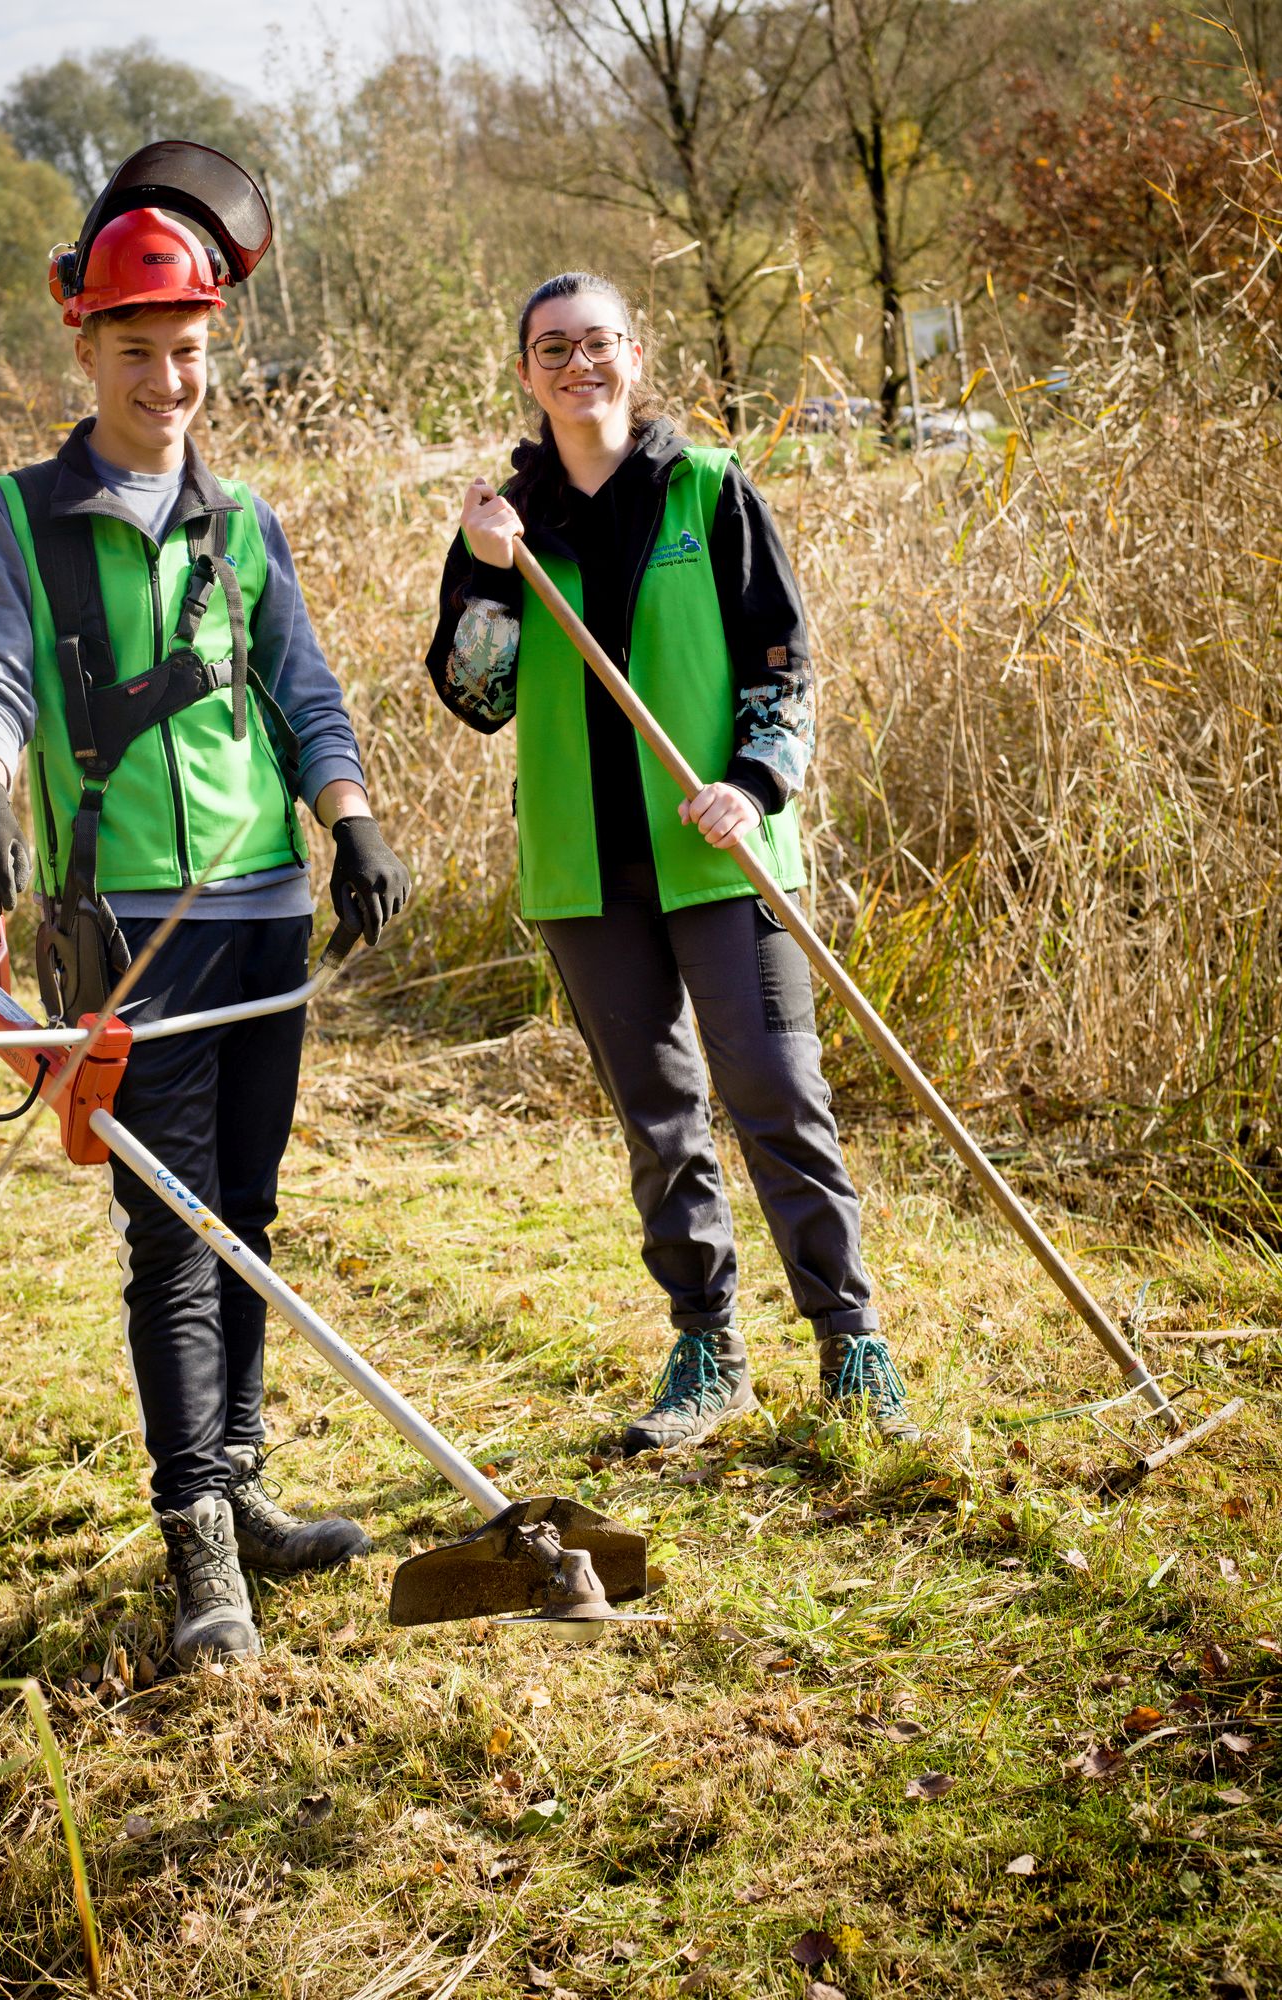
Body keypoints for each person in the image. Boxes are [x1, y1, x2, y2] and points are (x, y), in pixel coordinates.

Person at [0, 145, 411, 1669]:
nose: (168, 380)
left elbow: (303, 690)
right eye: (137, 352)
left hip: (260, 913)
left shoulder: (244, 522)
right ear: (84, 347)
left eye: (190, 352)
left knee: (247, 1218)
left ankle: (251, 1494)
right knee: (174, 1234)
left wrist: (350, 824)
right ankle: (198, 1542)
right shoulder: (16, 516)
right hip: (123, 932)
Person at [426, 270, 917, 1457]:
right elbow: (474, 696)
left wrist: (752, 786)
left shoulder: (709, 489)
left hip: (719, 854)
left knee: (773, 1093)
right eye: (553, 347)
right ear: (526, 371)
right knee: (657, 1118)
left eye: (598, 343)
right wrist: (492, 568)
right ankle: (706, 1346)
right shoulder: (501, 523)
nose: (578, 364)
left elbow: (782, 667)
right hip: (584, 871)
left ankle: (848, 1339)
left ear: (634, 356)